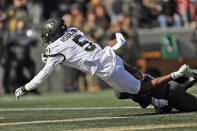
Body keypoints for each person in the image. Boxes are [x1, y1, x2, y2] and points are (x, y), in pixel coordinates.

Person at [15, 18, 195, 100]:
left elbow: (42, 76)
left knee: (140, 89)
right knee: (134, 74)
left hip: (108, 70)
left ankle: (177, 74)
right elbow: (75, 51)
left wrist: (25, 87)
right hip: (109, 55)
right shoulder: (73, 31)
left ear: (52, 34)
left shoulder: (56, 48)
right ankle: (156, 98)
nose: (45, 39)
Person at [114, 71, 197, 113]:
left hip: (172, 94)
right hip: (169, 92)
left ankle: (189, 82)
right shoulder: (133, 78)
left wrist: (175, 74)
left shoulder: (136, 88)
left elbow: (145, 101)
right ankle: (189, 82)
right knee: (161, 111)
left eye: (125, 95)